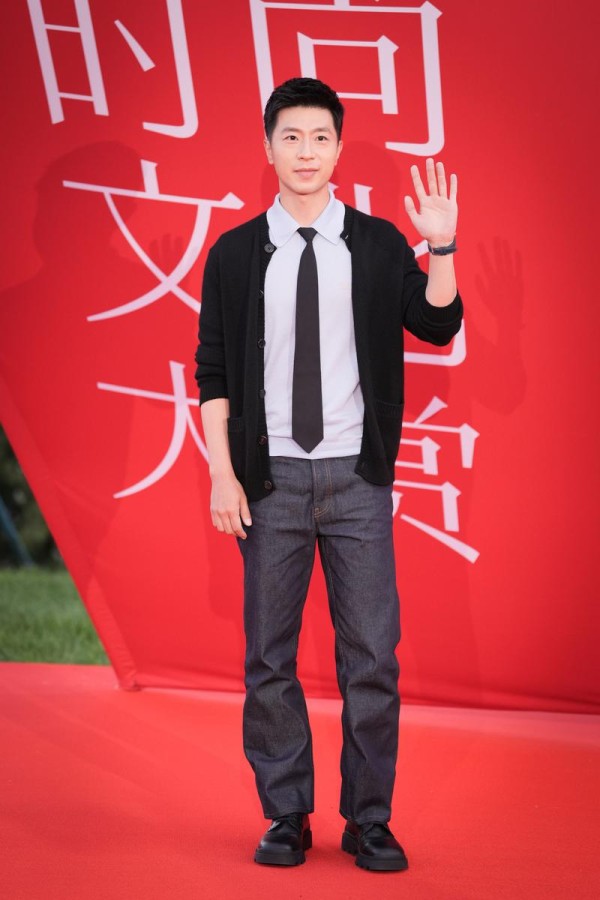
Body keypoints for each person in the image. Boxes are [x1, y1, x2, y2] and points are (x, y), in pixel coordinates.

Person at [195, 77, 462, 872]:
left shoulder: (377, 243)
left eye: (320, 137)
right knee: (268, 658)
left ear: (339, 148)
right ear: (268, 145)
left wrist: (441, 249)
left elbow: (436, 323)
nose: (306, 152)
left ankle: (369, 820)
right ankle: (286, 815)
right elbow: (213, 372)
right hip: (268, 480)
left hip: (356, 477)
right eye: (291, 137)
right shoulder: (235, 253)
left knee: (372, 655)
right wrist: (222, 474)